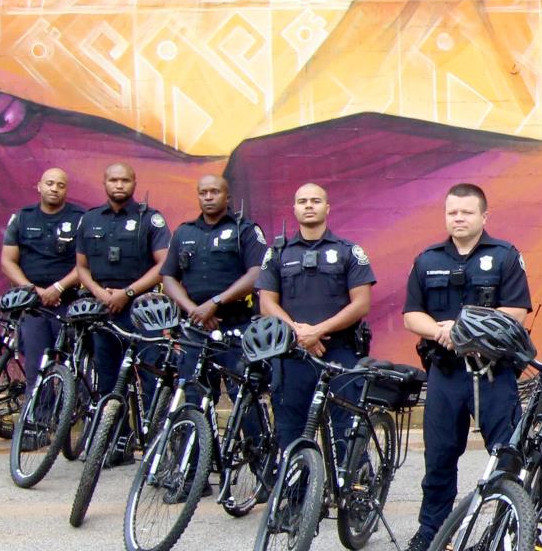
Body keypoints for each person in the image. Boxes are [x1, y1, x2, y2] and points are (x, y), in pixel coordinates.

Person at [399, 184, 532, 551]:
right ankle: (432, 533)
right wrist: (440, 332)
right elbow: (412, 315)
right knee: (439, 457)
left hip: (493, 374)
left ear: (483, 217)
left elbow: (515, 312)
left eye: (467, 212)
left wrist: (461, 330)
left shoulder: (504, 256)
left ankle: (507, 535)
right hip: (446, 374)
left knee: (507, 455)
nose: (459, 218)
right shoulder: (427, 260)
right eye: (452, 212)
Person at [256, 183, 375, 453]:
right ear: (294, 208)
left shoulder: (348, 251)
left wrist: (317, 331)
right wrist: (300, 334)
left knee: (347, 431)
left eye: (315, 201)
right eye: (302, 201)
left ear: (327, 208)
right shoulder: (278, 252)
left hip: (339, 353)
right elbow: (266, 303)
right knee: (291, 433)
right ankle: (298, 494)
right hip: (292, 355)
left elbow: (361, 304)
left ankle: (351, 492)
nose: (309, 205)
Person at [159, 173, 268, 448]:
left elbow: (258, 273)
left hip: (236, 326)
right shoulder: (183, 232)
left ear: (227, 196)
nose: (208, 197)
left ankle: (261, 471)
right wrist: (195, 310)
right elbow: (168, 277)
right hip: (195, 328)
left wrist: (215, 303)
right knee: (193, 397)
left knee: (243, 395)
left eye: (214, 192)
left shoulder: (245, 230)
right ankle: (195, 472)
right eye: (203, 192)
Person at [74, 162, 170, 402]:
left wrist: (126, 293)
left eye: (124, 180)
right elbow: (81, 267)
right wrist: (99, 293)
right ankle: (115, 436)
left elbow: (163, 265)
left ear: (134, 183)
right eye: (113, 180)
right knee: (108, 379)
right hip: (104, 308)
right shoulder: (89, 219)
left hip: (143, 308)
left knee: (151, 376)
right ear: (104, 183)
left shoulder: (150, 218)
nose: (119, 185)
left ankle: (152, 437)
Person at [0, 167, 85, 391]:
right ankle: (37, 421)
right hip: (33, 306)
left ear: (66, 190)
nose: (54, 189)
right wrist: (34, 291)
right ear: (39, 186)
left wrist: (58, 287)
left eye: (60, 185)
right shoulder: (22, 217)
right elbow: (8, 262)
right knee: (36, 370)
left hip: (68, 303)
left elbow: (85, 264)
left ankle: (68, 420)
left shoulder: (80, 219)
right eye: (49, 183)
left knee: (72, 369)